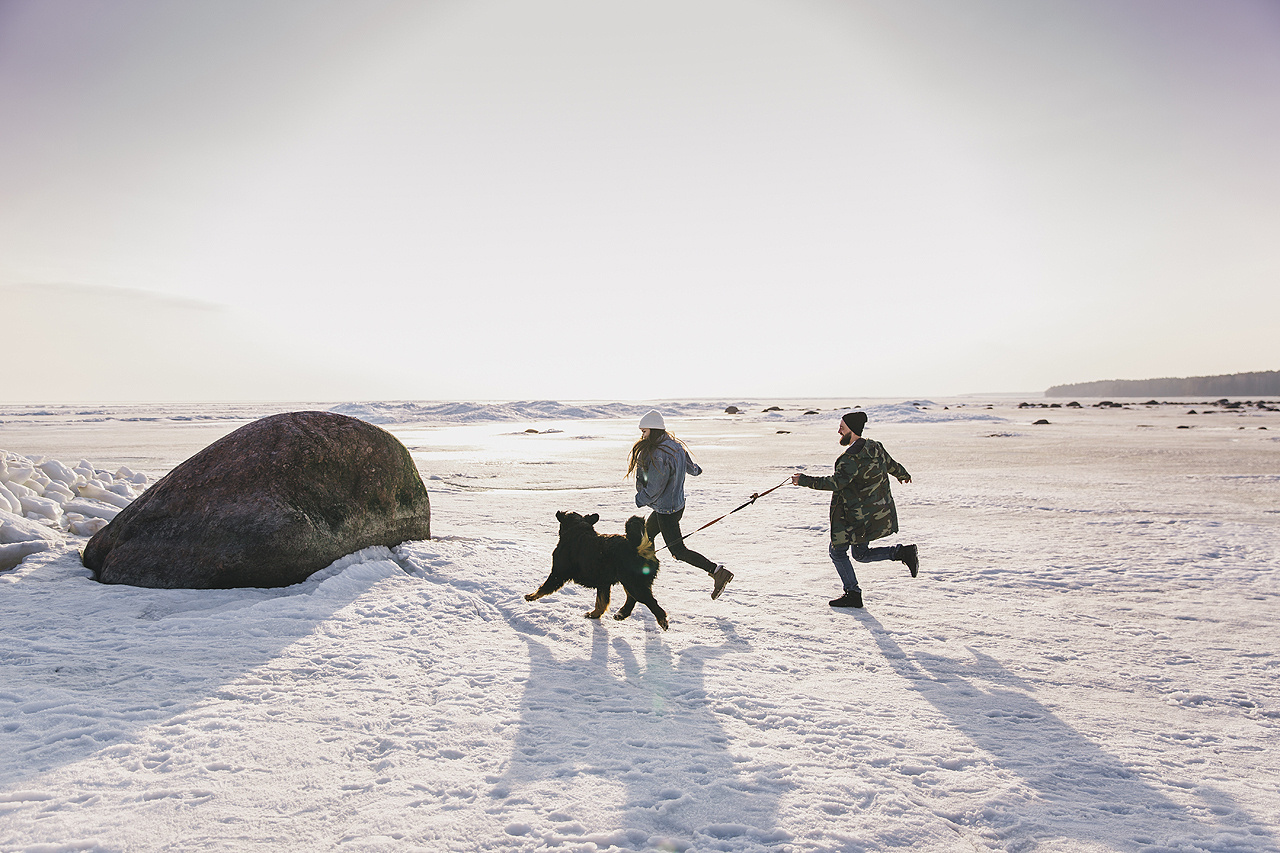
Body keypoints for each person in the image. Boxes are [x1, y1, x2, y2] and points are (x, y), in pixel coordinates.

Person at [791, 410, 918, 608]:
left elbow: (836, 483)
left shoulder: (850, 458)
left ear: (852, 430)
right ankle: (902, 553)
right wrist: (902, 474)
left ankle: (853, 593)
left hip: (853, 517)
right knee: (860, 554)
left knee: (837, 552)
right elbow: (890, 464)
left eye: (842, 427)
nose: (839, 431)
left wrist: (804, 480)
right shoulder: (875, 447)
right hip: (871, 513)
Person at [629, 410, 734, 599]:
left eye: (644, 431)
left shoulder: (659, 453)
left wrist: (640, 499)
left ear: (653, 430)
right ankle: (644, 575)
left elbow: (655, 487)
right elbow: (692, 469)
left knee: (678, 551)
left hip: (666, 510)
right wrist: (696, 470)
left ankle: (717, 572)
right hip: (676, 506)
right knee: (647, 535)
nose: (642, 435)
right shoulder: (675, 447)